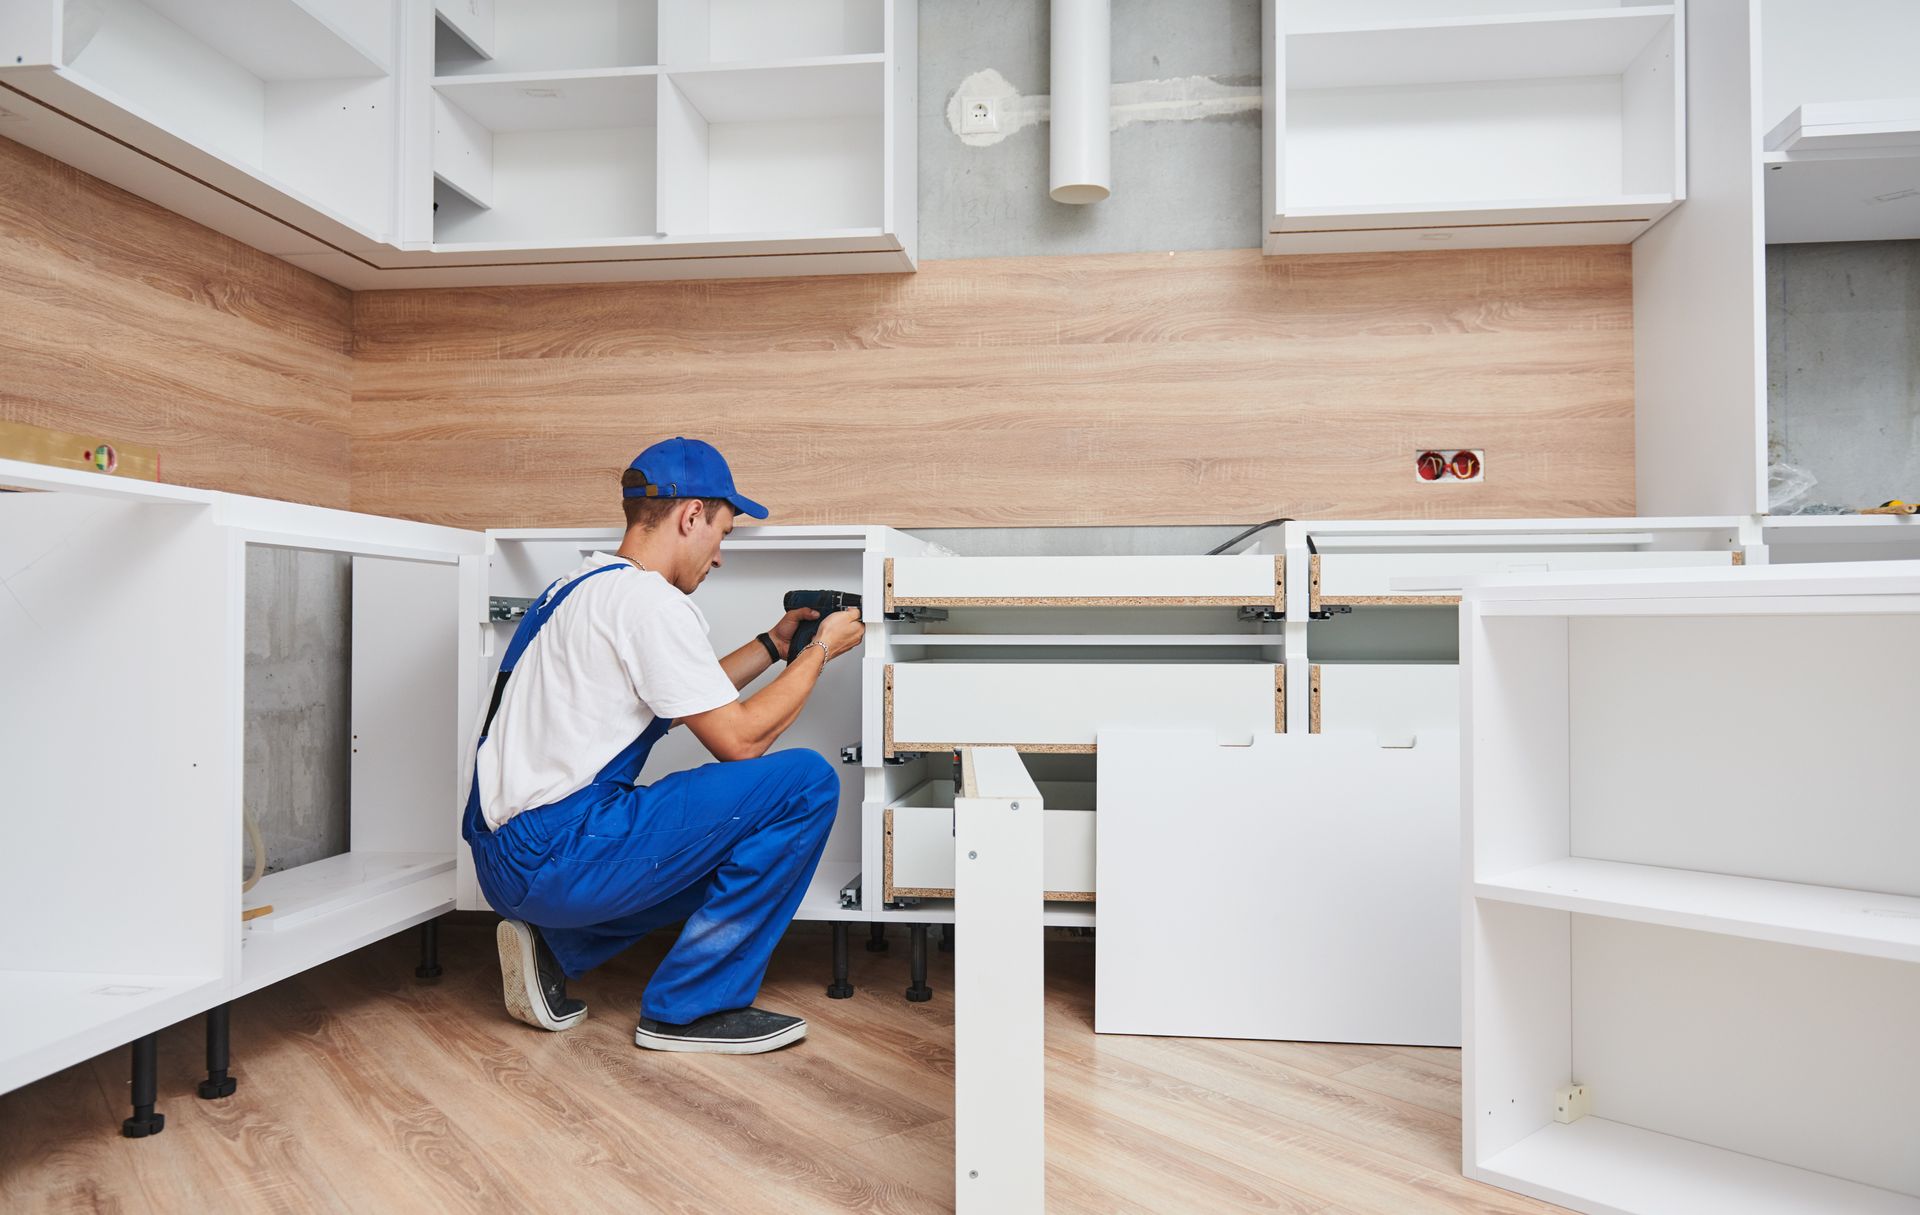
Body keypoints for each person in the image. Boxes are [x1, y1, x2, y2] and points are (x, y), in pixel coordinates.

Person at [461, 437, 864, 1054]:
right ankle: (688, 1010)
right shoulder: (648, 602)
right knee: (805, 783)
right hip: (557, 852)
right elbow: (740, 740)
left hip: (508, 858)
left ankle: (558, 945)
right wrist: (820, 651)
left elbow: (678, 701)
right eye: (722, 534)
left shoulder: (579, 587)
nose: (719, 557)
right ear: (691, 515)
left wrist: (773, 645)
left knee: (733, 838)